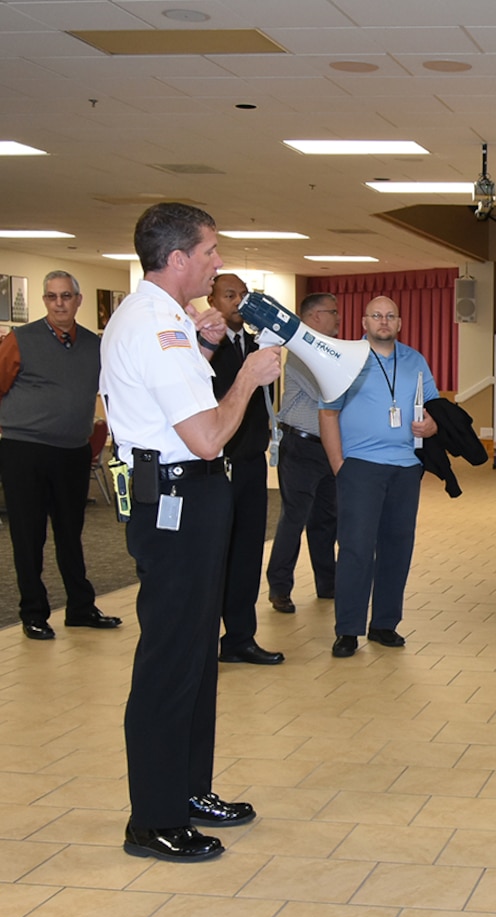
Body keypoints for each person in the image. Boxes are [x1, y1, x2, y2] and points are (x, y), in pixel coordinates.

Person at [99, 202, 282, 861]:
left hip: (189, 494)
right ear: (177, 259)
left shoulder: (170, 321)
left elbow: (174, 402)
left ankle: (187, 790)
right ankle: (152, 818)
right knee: (170, 661)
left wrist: (207, 348)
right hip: (176, 495)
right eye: (209, 252)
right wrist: (246, 376)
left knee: (195, 654)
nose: (218, 262)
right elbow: (206, 436)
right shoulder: (154, 327)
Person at [0, 270, 121, 641]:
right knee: (28, 533)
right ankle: (33, 612)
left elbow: (109, 390)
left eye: (66, 296)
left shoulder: (93, 344)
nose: (59, 303)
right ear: (44, 301)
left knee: (71, 533)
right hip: (25, 450)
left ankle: (80, 608)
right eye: (52, 297)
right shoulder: (19, 339)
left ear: (78, 300)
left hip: (71, 450)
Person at [319, 295, 438, 658]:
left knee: (397, 548)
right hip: (360, 467)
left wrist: (432, 425)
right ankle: (348, 630)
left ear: (399, 323)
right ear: (363, 322)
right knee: (355, 548)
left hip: (405, 468)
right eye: (376, 315)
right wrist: (341, 466)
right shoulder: (346, 360)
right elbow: (328, 414)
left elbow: (433, 409)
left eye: (390, 316)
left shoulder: (415, 359)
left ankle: (385, 624)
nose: (383, 321)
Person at [204, 273, 282, 666]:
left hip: (250, 466)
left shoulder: (256, 347)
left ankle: (240, 636)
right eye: (229, 295)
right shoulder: (202, 348)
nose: (237, 302)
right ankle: (202, 638)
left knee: (248, 552)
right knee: (214, 553)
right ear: (212, 299)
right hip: (216, 465)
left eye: (243, 295)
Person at [264, 293, 340, 614]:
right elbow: (328, 390)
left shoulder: (330, 352)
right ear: (313, 317)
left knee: (326, 520)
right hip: (299, 447)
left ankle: (328, 584)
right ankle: (279, 587)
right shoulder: (300, 354)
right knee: (294, 518)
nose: (338, 317)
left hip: (327, 447)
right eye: (332, 312)